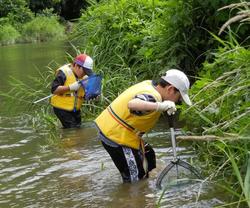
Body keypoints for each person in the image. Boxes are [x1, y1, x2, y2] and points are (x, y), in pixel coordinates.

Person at [94, 69, 192, 183]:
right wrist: (160, 106)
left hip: (112, 128)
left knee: (149, 154)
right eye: (179, 98)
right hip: (116, 136)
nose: (178, 101)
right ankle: (135, 196)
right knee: (135, 180)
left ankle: (148, 181)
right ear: (170, 89)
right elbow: (133, 104)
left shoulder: (149, 85)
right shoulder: (153, 97)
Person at [50, 53, 94, 128]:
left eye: (87, 72)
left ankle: (62, 134)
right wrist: (70, 88)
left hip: (75, 108)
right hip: (61, 108)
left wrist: (92, 95)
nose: (85, 74)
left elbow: (84, 94)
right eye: (84, 71)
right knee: (72, 129)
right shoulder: (64, 72)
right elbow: (54, 90)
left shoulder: (84, 76)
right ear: (76, 66)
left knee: (78, 127)